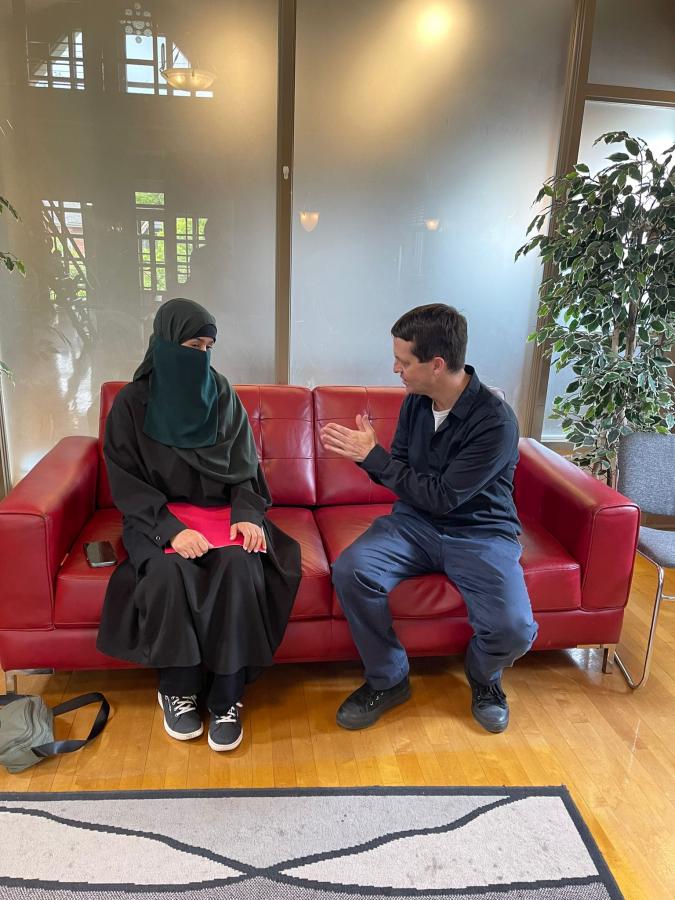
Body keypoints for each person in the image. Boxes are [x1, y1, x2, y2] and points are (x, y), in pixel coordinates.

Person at [320, 303, 537, 734]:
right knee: (351, 570)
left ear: (437, 364)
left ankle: (484, 676)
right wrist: (371, 457)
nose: (395, 369)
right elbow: (402, 471)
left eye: (403, 362)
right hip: (415, 525)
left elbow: (443, 496)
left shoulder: (495, 422)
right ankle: (388, 679)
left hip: (480, 533)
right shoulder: (417, 403)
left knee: (514, 630)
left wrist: (374, 457)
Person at [97, 298, 301, 751]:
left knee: (241, 565)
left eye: (208, 347)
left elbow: (245, 467)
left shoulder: (221, 394)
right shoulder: (131, 404)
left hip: (221, 515)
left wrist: (247, 515)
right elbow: (126, 480)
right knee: (167, 572)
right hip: (156, 518)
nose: (202, 356)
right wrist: (171, 530)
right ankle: (179, 688)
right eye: (193, 346)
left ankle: (227, 694)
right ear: (167, 344)